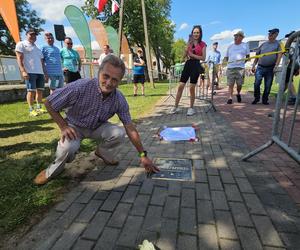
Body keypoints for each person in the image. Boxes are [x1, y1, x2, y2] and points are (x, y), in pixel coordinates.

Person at [34, 55, 159, 185]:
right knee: (68, 149)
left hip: (97, 127)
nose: (109, 83)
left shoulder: (119, 99)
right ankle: (53, 171)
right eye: (106, 76)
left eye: (115, 80)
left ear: (120, 81)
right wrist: (64, 126)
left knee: (119, 133)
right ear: (99, 72)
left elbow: (130, 127)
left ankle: (102, 152)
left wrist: (143, 156)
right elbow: (49, 102)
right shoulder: (80, 87)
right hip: (75, 127)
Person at [170, 25, 207, 115]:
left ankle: (191, 108)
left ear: (200, 33)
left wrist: (193, 55)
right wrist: (185, 51)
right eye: (194, 32)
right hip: (188, 64)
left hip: (196, 65)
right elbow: (183, 57)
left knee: (191, 88)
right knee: (181, 86)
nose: (196, 34)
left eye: (197, 32)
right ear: (192, 33)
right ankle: (175, 107)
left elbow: (203, 57)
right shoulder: (189, 43)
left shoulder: (203, 44)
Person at [15, 29, 47, 117]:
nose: (33, 36)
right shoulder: (21, 44)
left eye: (35, 35)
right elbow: (19, 58)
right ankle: (31, 109)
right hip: (30, 72)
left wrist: (45, 73)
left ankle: (39, 107)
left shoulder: (37, 48)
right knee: (31, 91)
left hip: (39, 73)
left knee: (40, 91)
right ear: (26, 35)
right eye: (31, 34)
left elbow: (42, 62)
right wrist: (23, 71)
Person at [251, 28, 282, 105]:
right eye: (269, 34)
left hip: (270, 68)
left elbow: (279, 55)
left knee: (268, 85)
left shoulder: (278, 44)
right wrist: (254, 65)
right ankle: (256, 98)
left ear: (276, 35)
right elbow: (257, 55)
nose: (269, 35)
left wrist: (276, 66)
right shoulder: (263, 44)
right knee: (257, 83)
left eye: (271, 34)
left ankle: (265, 99)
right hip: (260, 67)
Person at [223, 30, 250, 104]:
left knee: (239, 84)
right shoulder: (230, 46)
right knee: (230, 84)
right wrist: (227, 63)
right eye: (235, 36)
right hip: (230, 67)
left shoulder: (245, 45)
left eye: (237, 36)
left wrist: (242, 63)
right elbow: (226, 57)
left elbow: (248, 57)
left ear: (241, 37)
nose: (235, 37)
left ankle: (238, 93)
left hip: (240, 68)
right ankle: (230, 98)